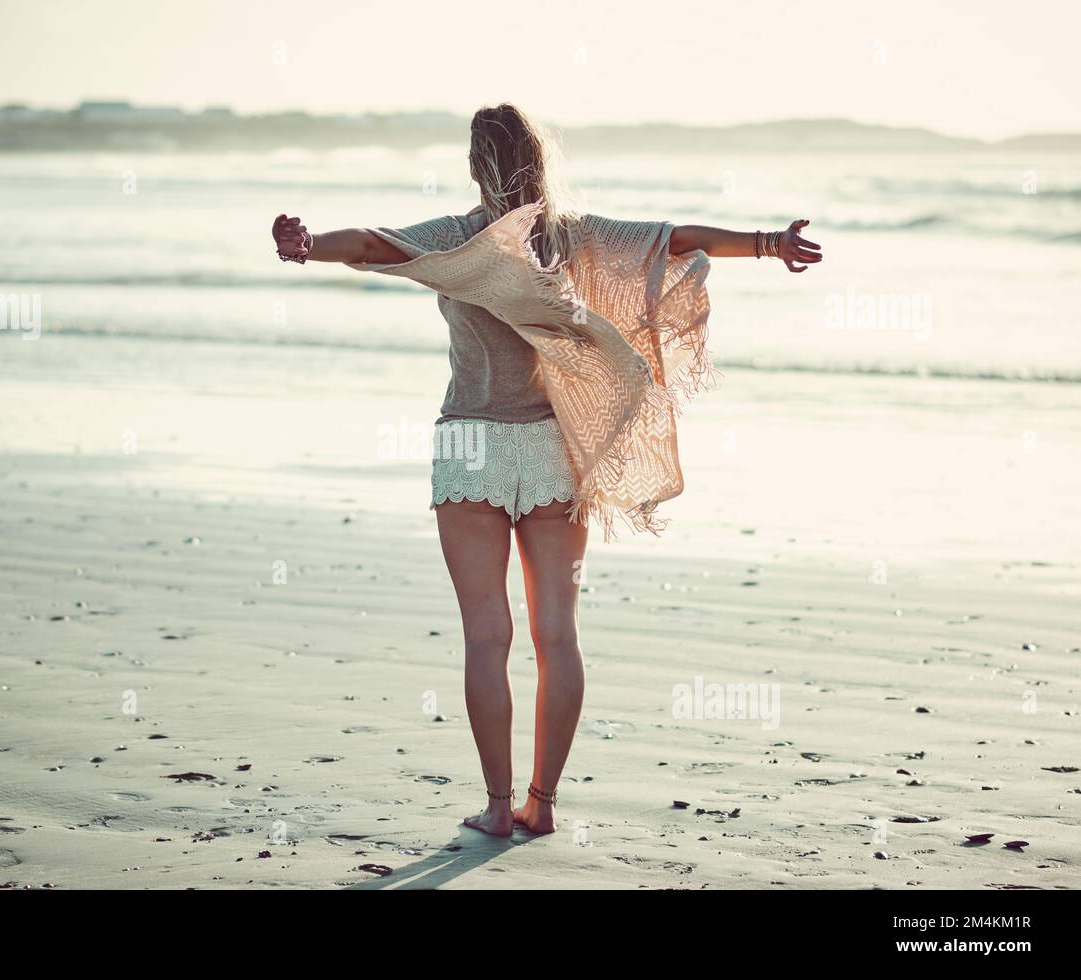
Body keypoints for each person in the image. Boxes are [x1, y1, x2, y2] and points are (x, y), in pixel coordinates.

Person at [271, 103, 822, 837]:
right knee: (556, 636)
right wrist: (767, 241)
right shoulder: (574, 236)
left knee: (485, 637)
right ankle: (543, 805)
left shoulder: (456, 238)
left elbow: (372, 245)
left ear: (474, 166)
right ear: (540, 159)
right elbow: (673, 239)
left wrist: (309, 247)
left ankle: (498, 809)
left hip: (470, 443)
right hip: (552, 449)